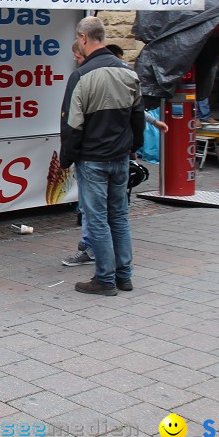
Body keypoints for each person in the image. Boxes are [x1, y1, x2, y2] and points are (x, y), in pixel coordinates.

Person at [60, 17, 144, 295]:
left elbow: (72, 124)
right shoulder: (128, 72)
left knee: (96, 219)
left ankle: (105, 279)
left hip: (93, 158)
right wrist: (135, 148)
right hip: (120, 157)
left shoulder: (81, 76)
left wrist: (66, 159)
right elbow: (138, 117)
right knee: (119, 217)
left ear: (83, 38)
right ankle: (125, 276)